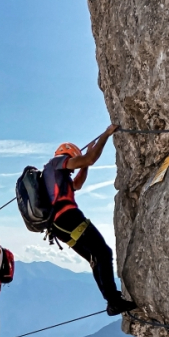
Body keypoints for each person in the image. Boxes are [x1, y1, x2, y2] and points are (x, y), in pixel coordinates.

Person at [43, 124, 137, 316]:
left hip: (58, 227)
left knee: (95, 259)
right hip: (69, 217)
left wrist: (83, 164)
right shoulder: (59, 162)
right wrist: (106, 134)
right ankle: (113, 301)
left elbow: (77, 184)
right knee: (103, 252)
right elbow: (91, 158)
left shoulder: (52, 176)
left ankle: (112, 301)